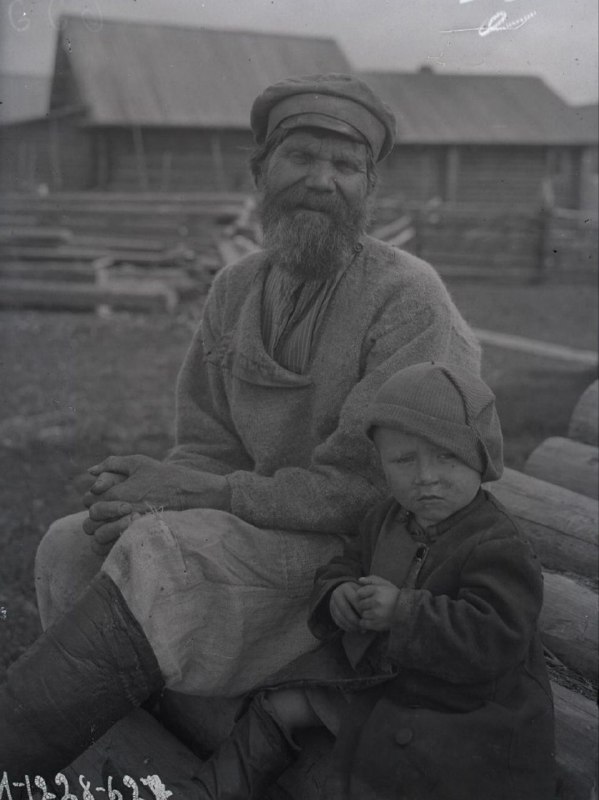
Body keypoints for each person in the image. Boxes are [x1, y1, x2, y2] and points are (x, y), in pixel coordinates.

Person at [1, 74, 481, 774]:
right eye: (300, 157)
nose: (321, 180)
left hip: (367, 561)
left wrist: (203, 496)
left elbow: (379, 490)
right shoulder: (235, 287)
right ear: (260, 172)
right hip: (264, 529)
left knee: (166, 556)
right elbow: (207, 443)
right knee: (70, 544)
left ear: (369, 188)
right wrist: (152, 494)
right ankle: (118, 758)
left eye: (345, 166)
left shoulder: (408, 299)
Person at [190, 362, 556, 800]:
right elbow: (347, 564)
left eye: (448, 457)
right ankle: (205, 793)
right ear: (381, 462)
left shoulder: (498, 544)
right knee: (279, 703)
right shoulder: (386, 518)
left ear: (483, 457)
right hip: (382, 683)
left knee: (403, 771)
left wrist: (402, 613)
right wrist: (338, 593)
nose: (426, 476)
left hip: (463, 707)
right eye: (403, 460)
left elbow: (496, 637)